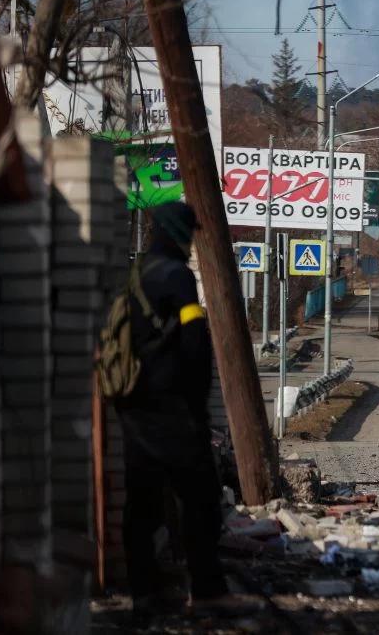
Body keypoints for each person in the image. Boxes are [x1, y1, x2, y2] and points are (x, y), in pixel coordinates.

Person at [112, 202, 233, 622]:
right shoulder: (178, 278)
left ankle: (144, 594)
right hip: (172, 408)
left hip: (133, 407)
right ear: (181, 233)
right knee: (200, 500)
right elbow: (194, 343)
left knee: (141, 505)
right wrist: (199, 408)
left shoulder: (137, 274)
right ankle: (208, 591)